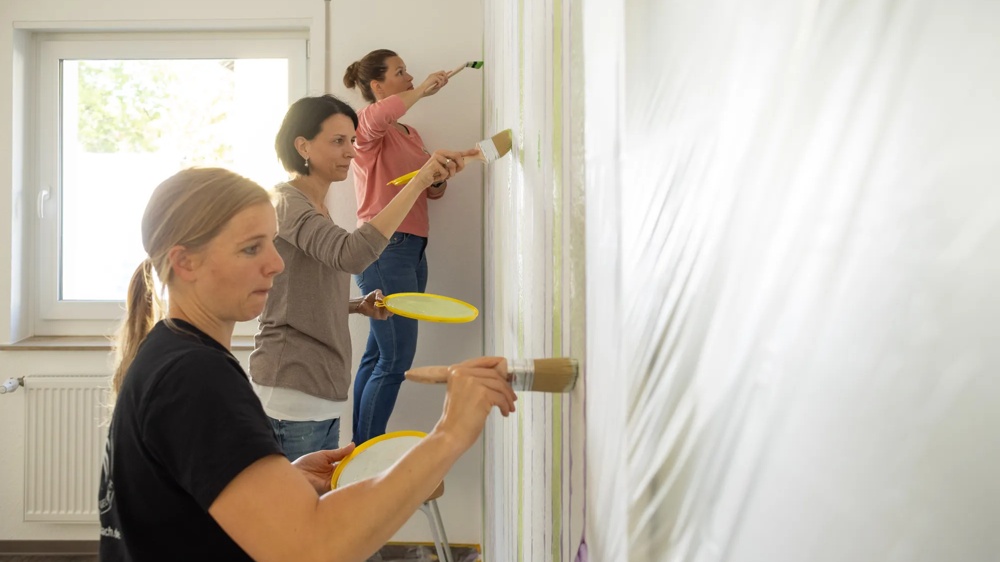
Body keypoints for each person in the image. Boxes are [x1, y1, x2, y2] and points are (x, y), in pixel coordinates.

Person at [98, 166, 517, 561]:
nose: (276, 264)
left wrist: (285, 480)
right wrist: (449, 435)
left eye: (271, 243)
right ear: (185, 261)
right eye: (251, 248)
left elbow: (185, 507)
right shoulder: (193, 376)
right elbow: (313, 549)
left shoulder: (171, 351)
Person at [249, 94, 478, 461]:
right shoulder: (288, 203)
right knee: (299, 516)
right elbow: (352, 254)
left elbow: (300, 293)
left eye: (352, 141)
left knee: (318, 510)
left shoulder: (316, 207)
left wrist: (357, 306)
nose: (352, 153)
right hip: (292, 389)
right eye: (338, 141)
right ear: (303, 145)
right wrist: (417, 183)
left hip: (318, 392)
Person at [343, 49, 453, 444]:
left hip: (412, 251)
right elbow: (377, 116)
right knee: (395, 360)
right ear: (377, 86)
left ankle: (359, 450)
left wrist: (438, 177)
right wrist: (424, 90)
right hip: (383, 251)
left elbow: (429, 194)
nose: (410, 77)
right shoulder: (366, 132)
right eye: (400, 72)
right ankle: (368, 455)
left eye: (409, 72)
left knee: (378, 356)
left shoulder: (412, 135)